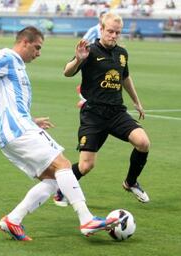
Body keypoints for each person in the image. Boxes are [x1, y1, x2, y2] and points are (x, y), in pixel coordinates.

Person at [0, 26, 118, 241]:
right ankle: (86, 219)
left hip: (18, 130)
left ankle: (13, 220)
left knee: (53, 180)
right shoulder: (7, 56)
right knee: (63, 165)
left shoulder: (17, 66)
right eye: (37, 47)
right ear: (24, 42)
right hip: (18, 131)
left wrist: (31, 120)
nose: (38, 53)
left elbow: (3, 102)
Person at [55, 12, 151, 206]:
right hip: (93, 115)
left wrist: (136, 101)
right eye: (110, 31)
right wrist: (79, 59)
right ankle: (61, 189)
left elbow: (125, 77)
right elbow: (67, 72)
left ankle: (130, 182)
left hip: (117, 112)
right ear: (101, 29)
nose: (113, 36)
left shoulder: (122, 53)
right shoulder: (89, 50)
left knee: (143, 142)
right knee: (86, 165)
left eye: (117, 32)